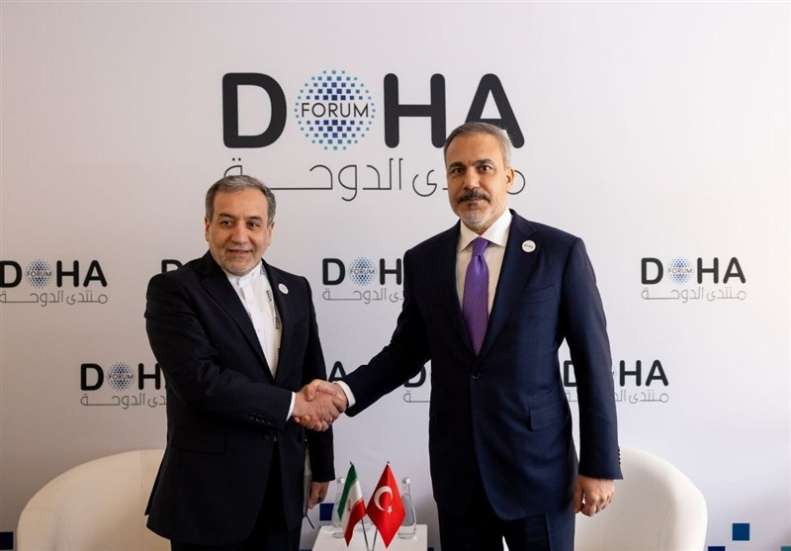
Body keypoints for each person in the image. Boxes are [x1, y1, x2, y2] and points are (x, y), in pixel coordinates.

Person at [307, 122, 622, 551]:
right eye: (457, 170)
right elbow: (404, 353)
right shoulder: (424, 260)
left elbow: (593, 363)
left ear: (509, 176)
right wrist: (343, 393)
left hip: (538, 472)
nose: (470, 181)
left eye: (483, 167)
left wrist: (600, 464)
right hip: (459, 475)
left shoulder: (559, 253)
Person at [144, 175, 343, 551]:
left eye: (253, 223)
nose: (240, 236)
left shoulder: (296, 288)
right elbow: (201, 383)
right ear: (207, 227)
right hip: (208, 497)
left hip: (283, 491)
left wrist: (322, 464)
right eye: (226, 221)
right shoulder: (174, 290)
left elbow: (312, 377)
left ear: (269, 231)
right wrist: (293, 404)